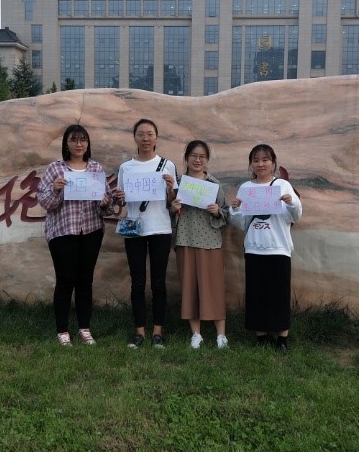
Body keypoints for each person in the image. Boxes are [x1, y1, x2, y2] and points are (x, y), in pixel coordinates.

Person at [37, 124, 115, 346]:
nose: (79, 144)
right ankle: (62, 330)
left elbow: (107, 205)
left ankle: (84, 328)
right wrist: (55, 189)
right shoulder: (55, 169)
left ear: (88, 144)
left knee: (85, 280)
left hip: (91, 230)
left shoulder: (95, 168)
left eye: (83, 140)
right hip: (62, 231)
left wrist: (105, 203)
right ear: (66, 144)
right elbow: (44, 202)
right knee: (65, 280)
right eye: (74, 140)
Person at [229, 144, 303, 352]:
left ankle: (282, 338)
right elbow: (242, 223)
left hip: (278, 248)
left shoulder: (283, 186)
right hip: (255, 248)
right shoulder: (246, 188)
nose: (260, 164)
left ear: (273, 162)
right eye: (255, 160)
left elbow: (295, 216)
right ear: (250, 164)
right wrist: (235, 210)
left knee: (279, 294)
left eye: (265, 160)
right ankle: (260, 336)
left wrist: (291, 202)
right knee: (257, 294)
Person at [112, 118, 178, 348]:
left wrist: (170, 188)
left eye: (150, 134)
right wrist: (119, 198)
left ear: (156, 137)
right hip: (135, 230)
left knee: (159, 282)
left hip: (160, 228)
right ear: (135, 138)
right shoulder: (126, 167)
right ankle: (139, 331)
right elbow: (121, 203)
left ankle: (158, 331)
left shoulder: (167, 165)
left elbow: (172, 203)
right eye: (141, 134)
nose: (145, 138)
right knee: (137, 282)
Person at [170, 140, 229, 349]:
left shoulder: (214, 184)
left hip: (210, 241)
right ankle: (196, 334)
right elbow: (168, 213)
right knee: (190, 287)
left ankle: (221, 335)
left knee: (214, 287)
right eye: (193, 156)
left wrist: (217, 211)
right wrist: (173, 207)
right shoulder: (178, 184)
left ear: (207, 160)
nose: (197, 160)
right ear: (186, 158)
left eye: (202, 157)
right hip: (185, 239)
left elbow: (226, 213)